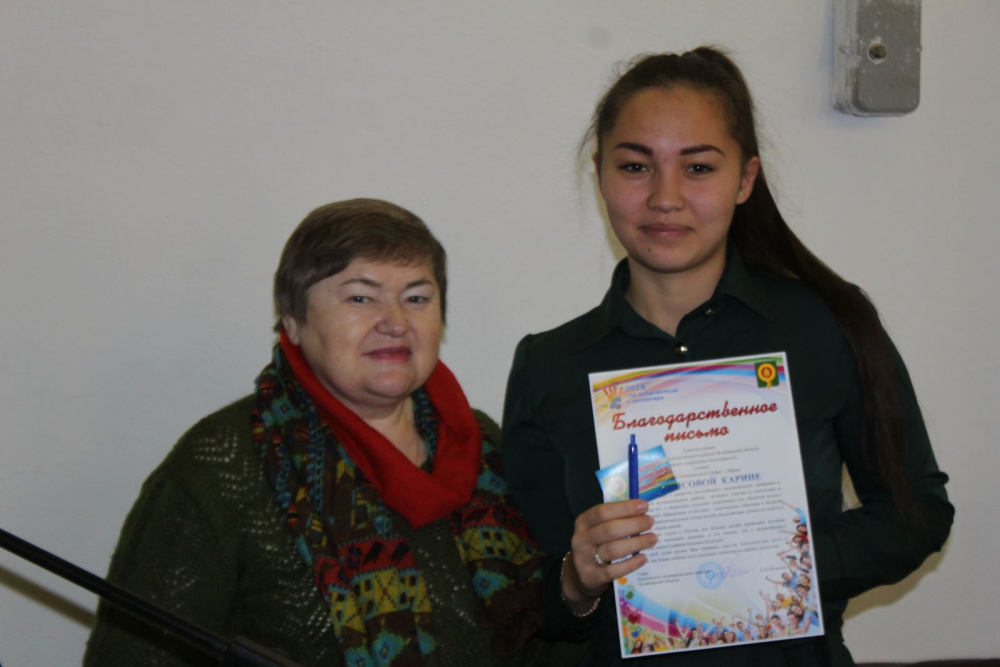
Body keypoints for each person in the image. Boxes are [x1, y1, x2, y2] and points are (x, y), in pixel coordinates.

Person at [501, 47, 953, 665]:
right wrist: (576, 582)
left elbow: (916, 511)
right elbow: (534, 596)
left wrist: (777, 566)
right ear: (600, 174)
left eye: (698, 168)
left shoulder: (827, 325)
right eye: (635, 166)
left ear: (744, 180)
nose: (665, 197)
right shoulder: (549, 366)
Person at [84, 199, 575, 666]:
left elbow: (547, 638)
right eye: (361, 297)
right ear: (293, 320)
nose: (395, 322)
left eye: (416, 298)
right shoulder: (222, 465)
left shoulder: (483, 446)